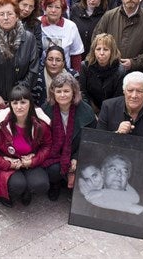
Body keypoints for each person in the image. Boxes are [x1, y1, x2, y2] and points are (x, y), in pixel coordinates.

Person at [0, 84, 52, 207]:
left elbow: (47, 145)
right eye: (15, 103)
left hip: (29, 161)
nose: (19, 107)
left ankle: (27, 190)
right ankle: (5, 194)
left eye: (23, 102)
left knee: (41, 184)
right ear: (10, 105)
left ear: (30, 103)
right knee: (17, 185)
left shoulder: (40, 123)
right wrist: (6, 162)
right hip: (6, 162)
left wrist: (33, 161)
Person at [0, 0, 40, 109]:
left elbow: (33, 71)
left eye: (10, 14)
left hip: (21, 101)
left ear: (17, 15)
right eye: (1, 14)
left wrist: (17, 95)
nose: (6, 18)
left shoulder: (29, 38)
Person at [41, 73, 97, 201]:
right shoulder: (46, 109)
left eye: (66, 91)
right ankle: (55, 184)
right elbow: (42, 139)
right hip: (54, 153)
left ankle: (73, 186)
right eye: (58, 91)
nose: (62, 95)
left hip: (79, 152)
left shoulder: (86, 110)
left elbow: (91, 140)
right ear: (53, 92)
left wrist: (76, 157)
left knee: (84, 169)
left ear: (74, 92)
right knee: (53, 169)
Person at [92, 0, 143, 72]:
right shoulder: (109, 16)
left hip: (136, 73)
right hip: (109, 71)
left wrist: (133, 63)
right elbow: (96, 41)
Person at [97, 72, 143, 141]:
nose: (134, 96)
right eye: (130, 90)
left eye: (139, 91)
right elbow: (98, 140)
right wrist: (117, 133)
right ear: (124, 91)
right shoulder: (108, 107)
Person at [78, 154, 143, 214]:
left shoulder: (125, 185)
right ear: (103, 172)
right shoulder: (86, 193)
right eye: (114, 169)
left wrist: (101, 192)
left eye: (124, 171)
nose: (119, 174)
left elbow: (135, 198)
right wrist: (134, 208)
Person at [80, 33, 125, 112]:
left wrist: (105, 114)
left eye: (106, 49)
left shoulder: (120, 70)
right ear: (93, 51)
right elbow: (83, 92)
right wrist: (92, 111)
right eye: (98, 49)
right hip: (88, 109)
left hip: (111, 110)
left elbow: (118, 98)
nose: (101, 53)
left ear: (112, 52)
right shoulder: (85, 66)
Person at [40, 0, 84, 72]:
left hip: (64, 72)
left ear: (62, 10)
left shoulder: (71, 26)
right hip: (40, 72)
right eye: (50, 6)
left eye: (57, 7)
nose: (53, 10)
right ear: (45, 8)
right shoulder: (36, 23)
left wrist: (75, 75)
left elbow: (76, 54)